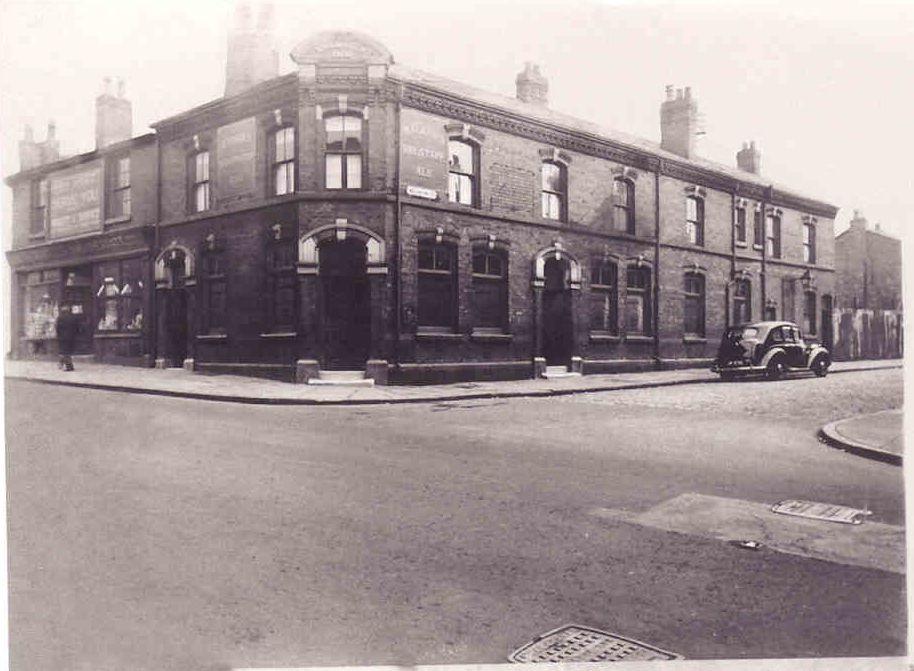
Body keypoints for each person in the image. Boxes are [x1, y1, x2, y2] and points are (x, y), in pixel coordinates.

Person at [56, 304, 80, 371]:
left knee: (65, 352)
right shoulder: (73, 317)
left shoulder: (60, 318)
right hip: (71, 337)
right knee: (67, 352)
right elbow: (77, 327)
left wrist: (59, 336)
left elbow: (58, 328)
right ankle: (63, 363)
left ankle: (68, 366)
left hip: (63, 338)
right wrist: (75, 335)